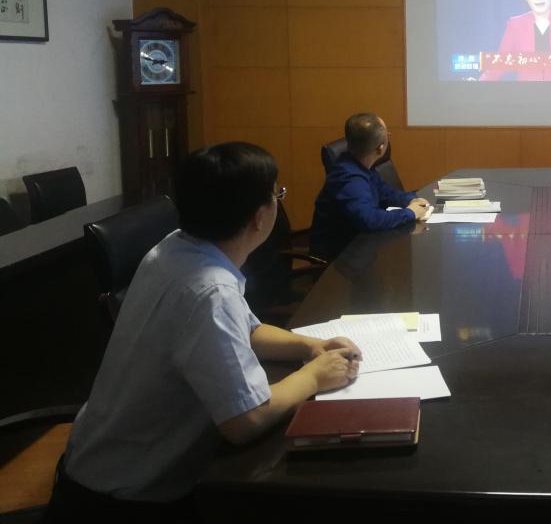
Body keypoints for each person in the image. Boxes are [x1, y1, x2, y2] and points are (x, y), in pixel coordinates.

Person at [49, 142, 361, 519]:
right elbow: (246, 420)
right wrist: (314, 376)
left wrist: (310, 347)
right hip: (125, 498)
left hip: (95, 463)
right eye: (277, 195)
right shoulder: (210, 291)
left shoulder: (175, 249)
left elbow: (245, 330)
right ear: (260, 217)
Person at [310, 112, 430, 260]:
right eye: (388, 135)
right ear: (380, 148)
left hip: (360, 248)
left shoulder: (360, 164)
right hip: (340, 258)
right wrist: (410, 213)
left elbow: (386, 193)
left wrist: (412, 199)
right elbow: (369, 219)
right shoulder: (349, 178)